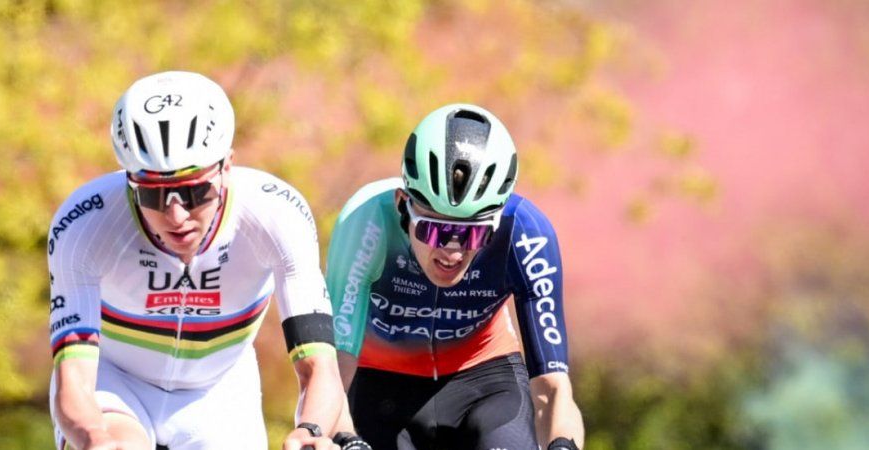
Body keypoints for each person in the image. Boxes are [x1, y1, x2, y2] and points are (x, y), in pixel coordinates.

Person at [47, 71, 349, 450]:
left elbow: (319, 366)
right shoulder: (85, 224)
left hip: (219, 390)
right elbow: (74, 379)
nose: (176, 216)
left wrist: (311, 431)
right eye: (153, 194)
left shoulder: (276, 216)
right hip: (115, 382)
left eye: (194, 192)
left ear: (227, 166)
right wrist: (94, 438)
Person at [325, 104, 585, 450]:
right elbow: (334, 367)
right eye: (433, 230)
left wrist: (563, 445)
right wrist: (343, 436)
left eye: (474, 234)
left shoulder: (525, 231)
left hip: (485, 381)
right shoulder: (367, 221)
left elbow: (553, 390)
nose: (452, 252)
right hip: (382, 388)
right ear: (403, 205)